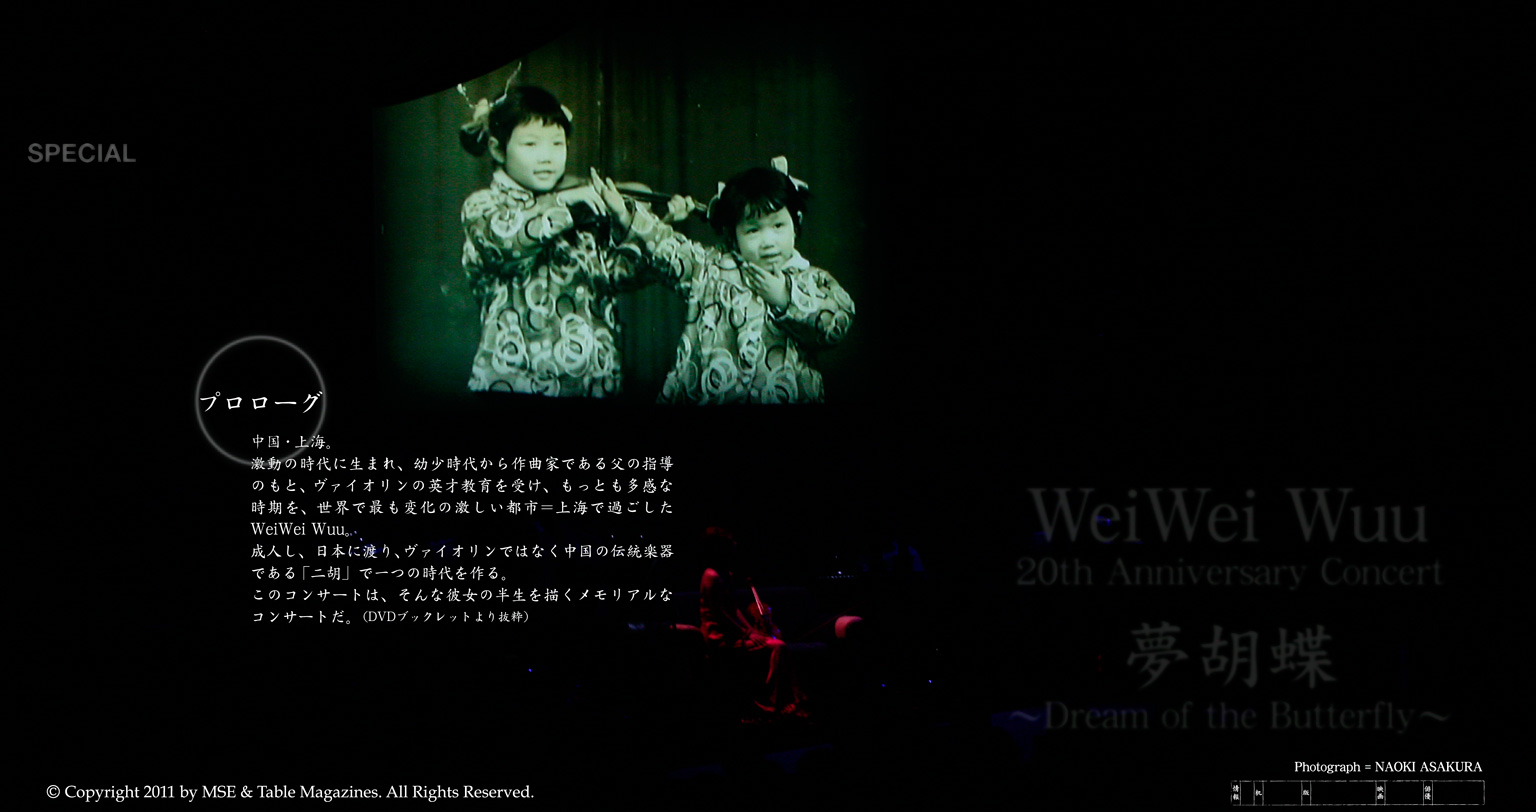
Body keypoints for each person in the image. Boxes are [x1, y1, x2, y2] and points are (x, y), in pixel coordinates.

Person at [458, 82, 684, 396]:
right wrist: (567, 202)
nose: (547, 157)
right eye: (531, 144)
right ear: (497, 149)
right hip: (516, 381)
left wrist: (652, 230)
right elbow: (506, 240)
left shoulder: (581, 211)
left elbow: (616, 275)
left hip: (593, 380)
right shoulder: (483, 206)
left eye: (557, 144)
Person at [590, 157, 854, 403]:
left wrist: (785, 297)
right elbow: (667, 248)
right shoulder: (710, 268)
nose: (768, 241)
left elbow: (838, 320)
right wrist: (623, 215)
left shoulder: (813, 279)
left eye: (778, 226)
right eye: (753, 230)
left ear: (796, 224)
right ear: (733, 235)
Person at [697, 527, 807, 719]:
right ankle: (775, 704)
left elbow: (733, 609)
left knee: (771, 641)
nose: (735, 544)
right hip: (719, 637)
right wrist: (747, 634)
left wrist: (750, 630)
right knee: (778, 646)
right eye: (729, 542)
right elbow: (720, 614)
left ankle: (787, 701)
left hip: (732, 633)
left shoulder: (725, 574)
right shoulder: (711, 576)